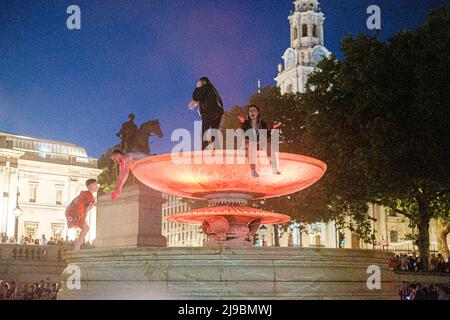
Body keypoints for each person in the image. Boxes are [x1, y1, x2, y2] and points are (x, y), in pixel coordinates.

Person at [238, 105, 282, 177]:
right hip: (249, 143)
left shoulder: (262, 123)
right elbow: (244, 133)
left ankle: (274, 169)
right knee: (251, 144)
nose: (252, 112)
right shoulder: (246, 123)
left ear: (258, 113)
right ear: (248, 113)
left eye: (254, 110)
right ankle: (253, 170)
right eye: (250, 111)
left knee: (268, 145)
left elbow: (267, 135)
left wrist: (273, 128)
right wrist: (242, 123)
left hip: (259, 142)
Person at [188, 77, 224, 150]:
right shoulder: (211, 89)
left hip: (209, 112)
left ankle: (204, 149)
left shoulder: (205, 86)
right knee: (214, 131)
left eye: (198, 83)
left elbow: (196, 96)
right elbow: (203, 97)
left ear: (203, 82)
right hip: (218, 112)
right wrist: (196, 103)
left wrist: (197, 88)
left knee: (204, 131)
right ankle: (216, 149)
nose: (197, 85)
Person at [65, 179, 98, 250]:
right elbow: (87, 209)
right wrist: (94, 204)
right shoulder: (88, 195)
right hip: (75, 212)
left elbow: (84, 207)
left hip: (71, 211)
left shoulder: (85, 194)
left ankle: (77, 245)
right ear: (91, 186)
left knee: (85, 228)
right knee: (86, 228)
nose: (97, 186)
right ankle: (77, 246)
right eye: (95, 184)